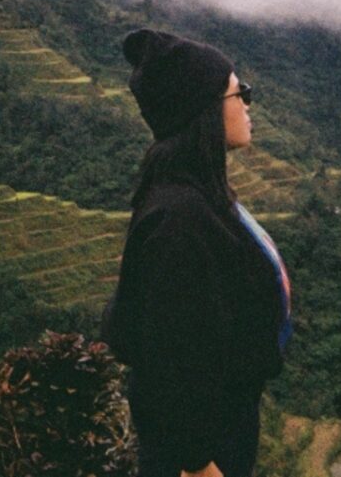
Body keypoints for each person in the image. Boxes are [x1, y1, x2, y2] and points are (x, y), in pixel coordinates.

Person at [102, 28, 292, 477]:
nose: (247, 103)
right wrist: (197, 462)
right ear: (204, 108)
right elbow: (166, 361)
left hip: (225, 425)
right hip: (199, 452)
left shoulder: (200, 197)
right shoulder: (179, 220)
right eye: (237, 93)